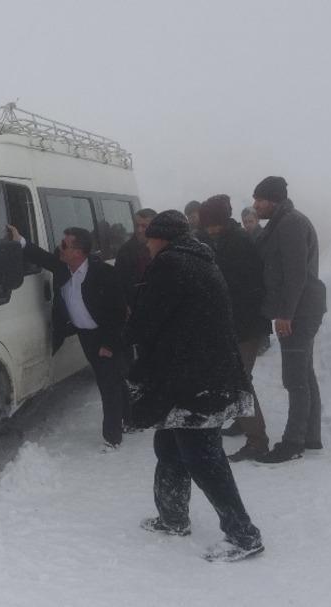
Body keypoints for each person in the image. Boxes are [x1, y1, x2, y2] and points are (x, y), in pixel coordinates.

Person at [126, 210, 263, 562]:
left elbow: (147, 320)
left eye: (149, 237)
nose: (146, 243)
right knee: (170, 443)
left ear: (162, 237)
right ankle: (173, 516)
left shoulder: (171, 264)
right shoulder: (199, 258)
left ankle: (243, 535)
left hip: (194, 378)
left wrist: (127, 332)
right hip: (201, 370)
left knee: (203, 456)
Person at [6, 224, 129, 447]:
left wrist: (109, 344)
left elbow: (118, 313)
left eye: (64, 245)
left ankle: (112, 438)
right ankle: (130, 417)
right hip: (85, 335)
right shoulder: (63, 268)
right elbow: (42, 257)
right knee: (115, 380)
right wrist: (19, 240)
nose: (59, 248)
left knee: (108, 385)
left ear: (79, 252)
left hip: (106, 336)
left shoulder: (104, 274)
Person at [252, 176, 327, 463]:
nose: (255, 205)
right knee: (304, 374)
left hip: (299, 312)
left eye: (259, 199)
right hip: (301, 309)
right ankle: (310, 436)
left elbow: (295, 274)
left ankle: (293, 443)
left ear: (273, 200)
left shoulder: (291, 223)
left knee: (294, 379)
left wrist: (286, 314)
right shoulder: (285, 221)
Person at [199, 195, 273, 462]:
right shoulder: (216, 241)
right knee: (240, 379)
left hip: (244, 325)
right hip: (230, 325)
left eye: (212, 224)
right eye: (207, 225)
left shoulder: (239, 244)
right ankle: (244, 423)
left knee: (238, 381)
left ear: (221, 222)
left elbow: (246, 290)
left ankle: (257, 441)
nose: (208, 229)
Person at [113, 208, 157, 306]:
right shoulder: (125, 251)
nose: (139, 230)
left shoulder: (164, 247)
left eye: (144, 226)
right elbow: (119, 283)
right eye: (137, 225)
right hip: (136, 305)